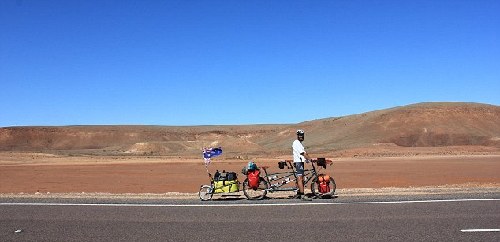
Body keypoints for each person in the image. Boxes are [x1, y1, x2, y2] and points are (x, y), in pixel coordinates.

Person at [292, 129, 313, 201]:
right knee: (300, 178)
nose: (301, 136)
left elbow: (304, 153)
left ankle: (298, 193)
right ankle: (302, 195)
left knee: (300, 178)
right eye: (300, 135)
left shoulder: (300, 143)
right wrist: (310, 159)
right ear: (297, 136)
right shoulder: (296, 142)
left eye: (302, 135)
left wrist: (307, 159)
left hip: (300, 162)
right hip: (298, 163)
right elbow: (302, 153)